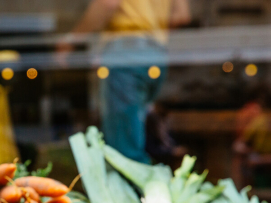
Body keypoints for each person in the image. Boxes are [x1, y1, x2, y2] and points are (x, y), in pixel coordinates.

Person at [59, 0, 191, 163]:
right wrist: (150, 30)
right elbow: (182, 16)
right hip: (156, 53)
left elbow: (108, 3)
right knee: (137, 135)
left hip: (126, 53)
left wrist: (72, 39)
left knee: (125, 152)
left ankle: (139, 185)